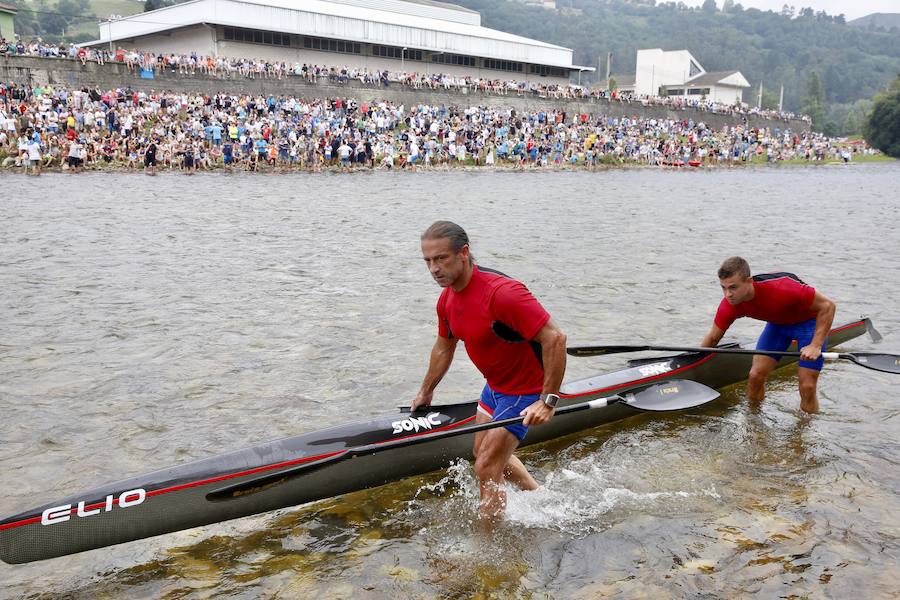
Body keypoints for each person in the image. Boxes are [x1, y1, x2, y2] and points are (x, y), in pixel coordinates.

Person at [413, 221, 567, 521]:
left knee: (485, 466)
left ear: (464, 253)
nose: (433, 269)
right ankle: (542, 499)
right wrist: (426, 390)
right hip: (495, 387)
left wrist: (548, 400)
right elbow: (445, 346)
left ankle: (486, 553)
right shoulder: (446, 299)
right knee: (482, 452)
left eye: (441, 258)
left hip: (526, 389)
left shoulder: (502, 293)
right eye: (428, 261)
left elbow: (555, 339)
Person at [699, 256, 836, 413]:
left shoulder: (783, 287)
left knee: (807, 385)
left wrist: (815, 345)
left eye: (733, 287)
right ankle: (753, 421)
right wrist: (695, 361)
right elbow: (713, 337)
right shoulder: (729, 305)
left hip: (808, 325)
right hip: (778, 326)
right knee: (755, 375)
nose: (728, 294)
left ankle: (805, 430)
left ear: (749, 281)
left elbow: (828, 306)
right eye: (723, 288)